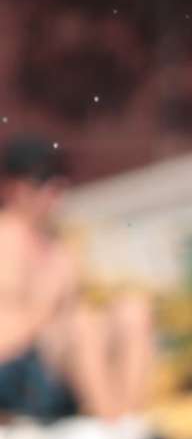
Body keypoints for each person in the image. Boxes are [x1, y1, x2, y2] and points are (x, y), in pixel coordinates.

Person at [0, 135, 157, 424]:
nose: (56, 193)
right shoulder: (6, 241)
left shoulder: (56, 241)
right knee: (82, 325)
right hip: (16, 376)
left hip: (58, 365)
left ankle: (131, 421)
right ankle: (113, 424)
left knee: (133, 309)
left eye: (60, 182)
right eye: (45, 183)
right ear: (16, 189)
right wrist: (47, 302)